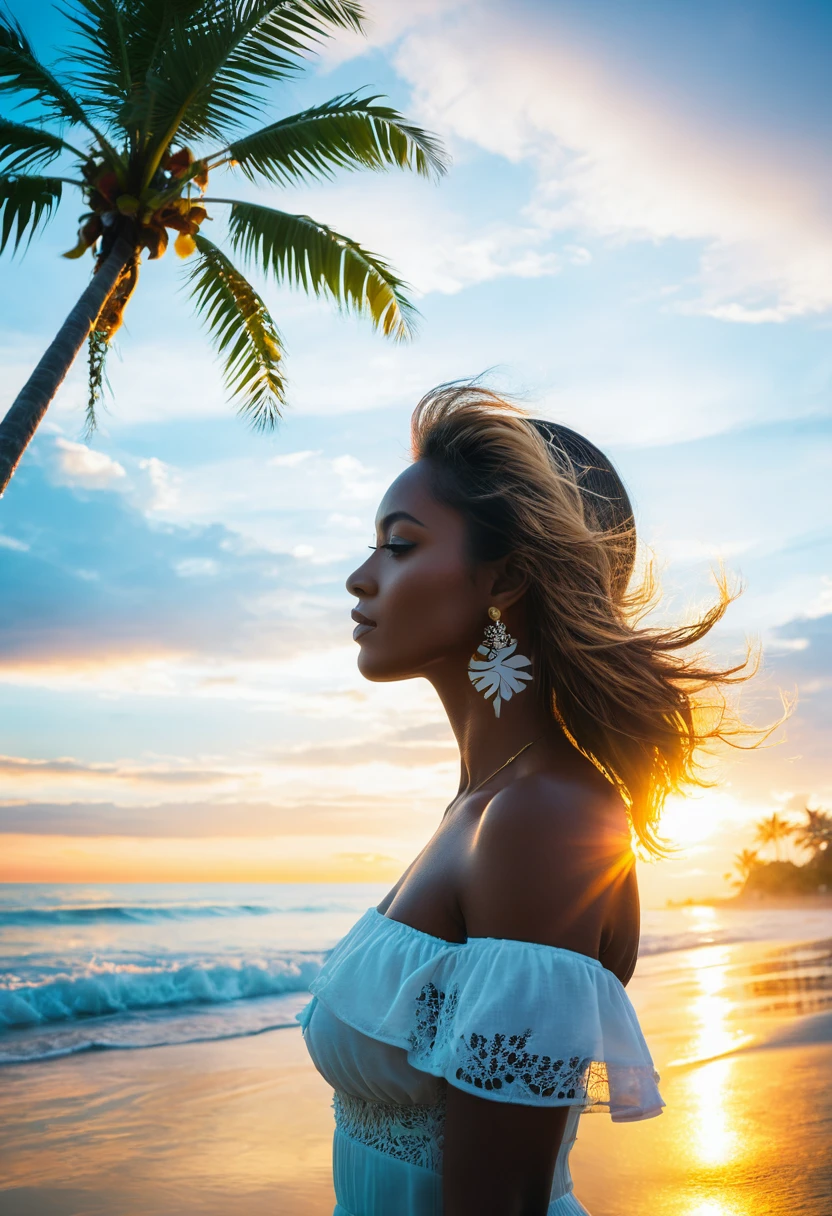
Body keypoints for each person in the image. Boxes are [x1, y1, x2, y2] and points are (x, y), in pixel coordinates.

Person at [295, 382, 758, 1215]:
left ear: (504, 579)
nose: (360, 578)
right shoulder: (479, 808)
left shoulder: (543, 820)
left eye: (398, 546)